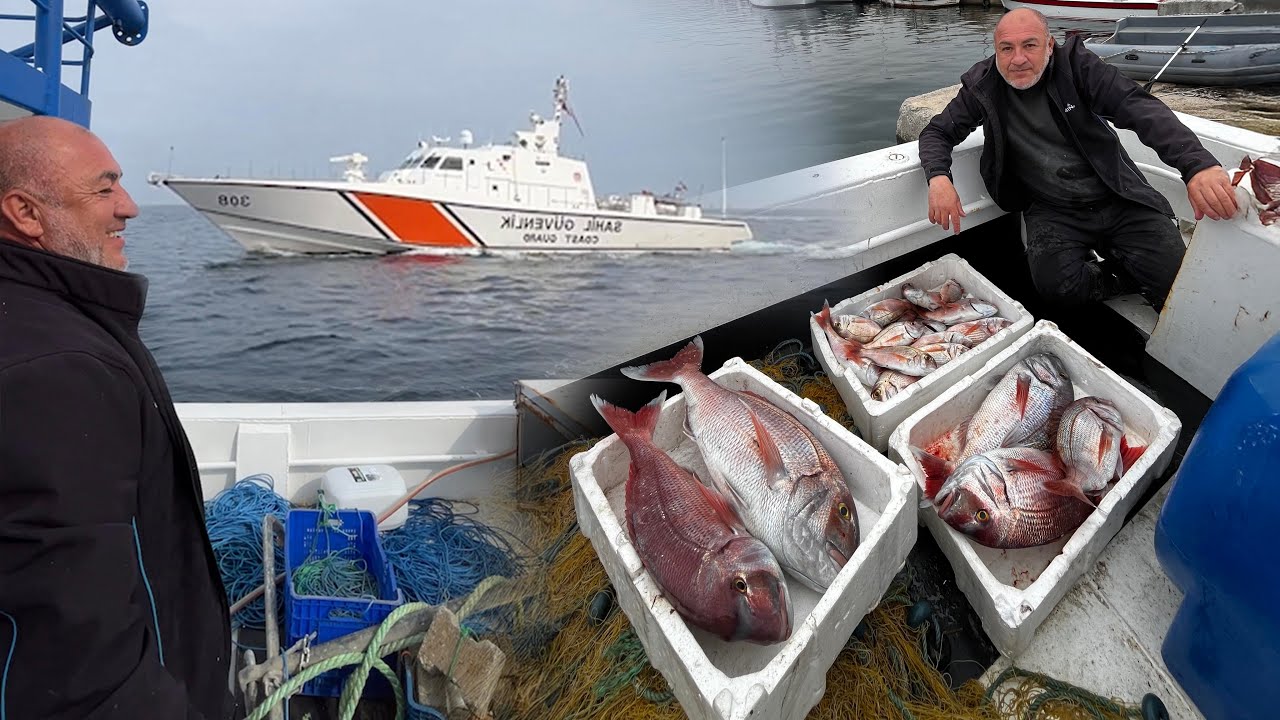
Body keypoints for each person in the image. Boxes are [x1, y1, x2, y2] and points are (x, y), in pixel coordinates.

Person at [0, 116, 236, 719]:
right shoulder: (59, 369)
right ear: (26, 213)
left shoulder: (39, 320)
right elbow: (77, 654)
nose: (129, 207)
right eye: (103, 189)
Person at [918, 8, 1239, 311]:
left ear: (1049, 45)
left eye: (1029, 45)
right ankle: (1121, 274)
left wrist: (1198, 165)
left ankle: (1127, 260)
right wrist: (939, 177)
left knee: (1177, 280)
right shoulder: (983, 84)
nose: (1018, 59)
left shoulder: (1077, 66)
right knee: (1056, 287)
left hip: (1116, 195)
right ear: (995, 51)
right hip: (1051, 207)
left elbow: (1139, 109)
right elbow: (937, 132)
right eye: (1006, 48)